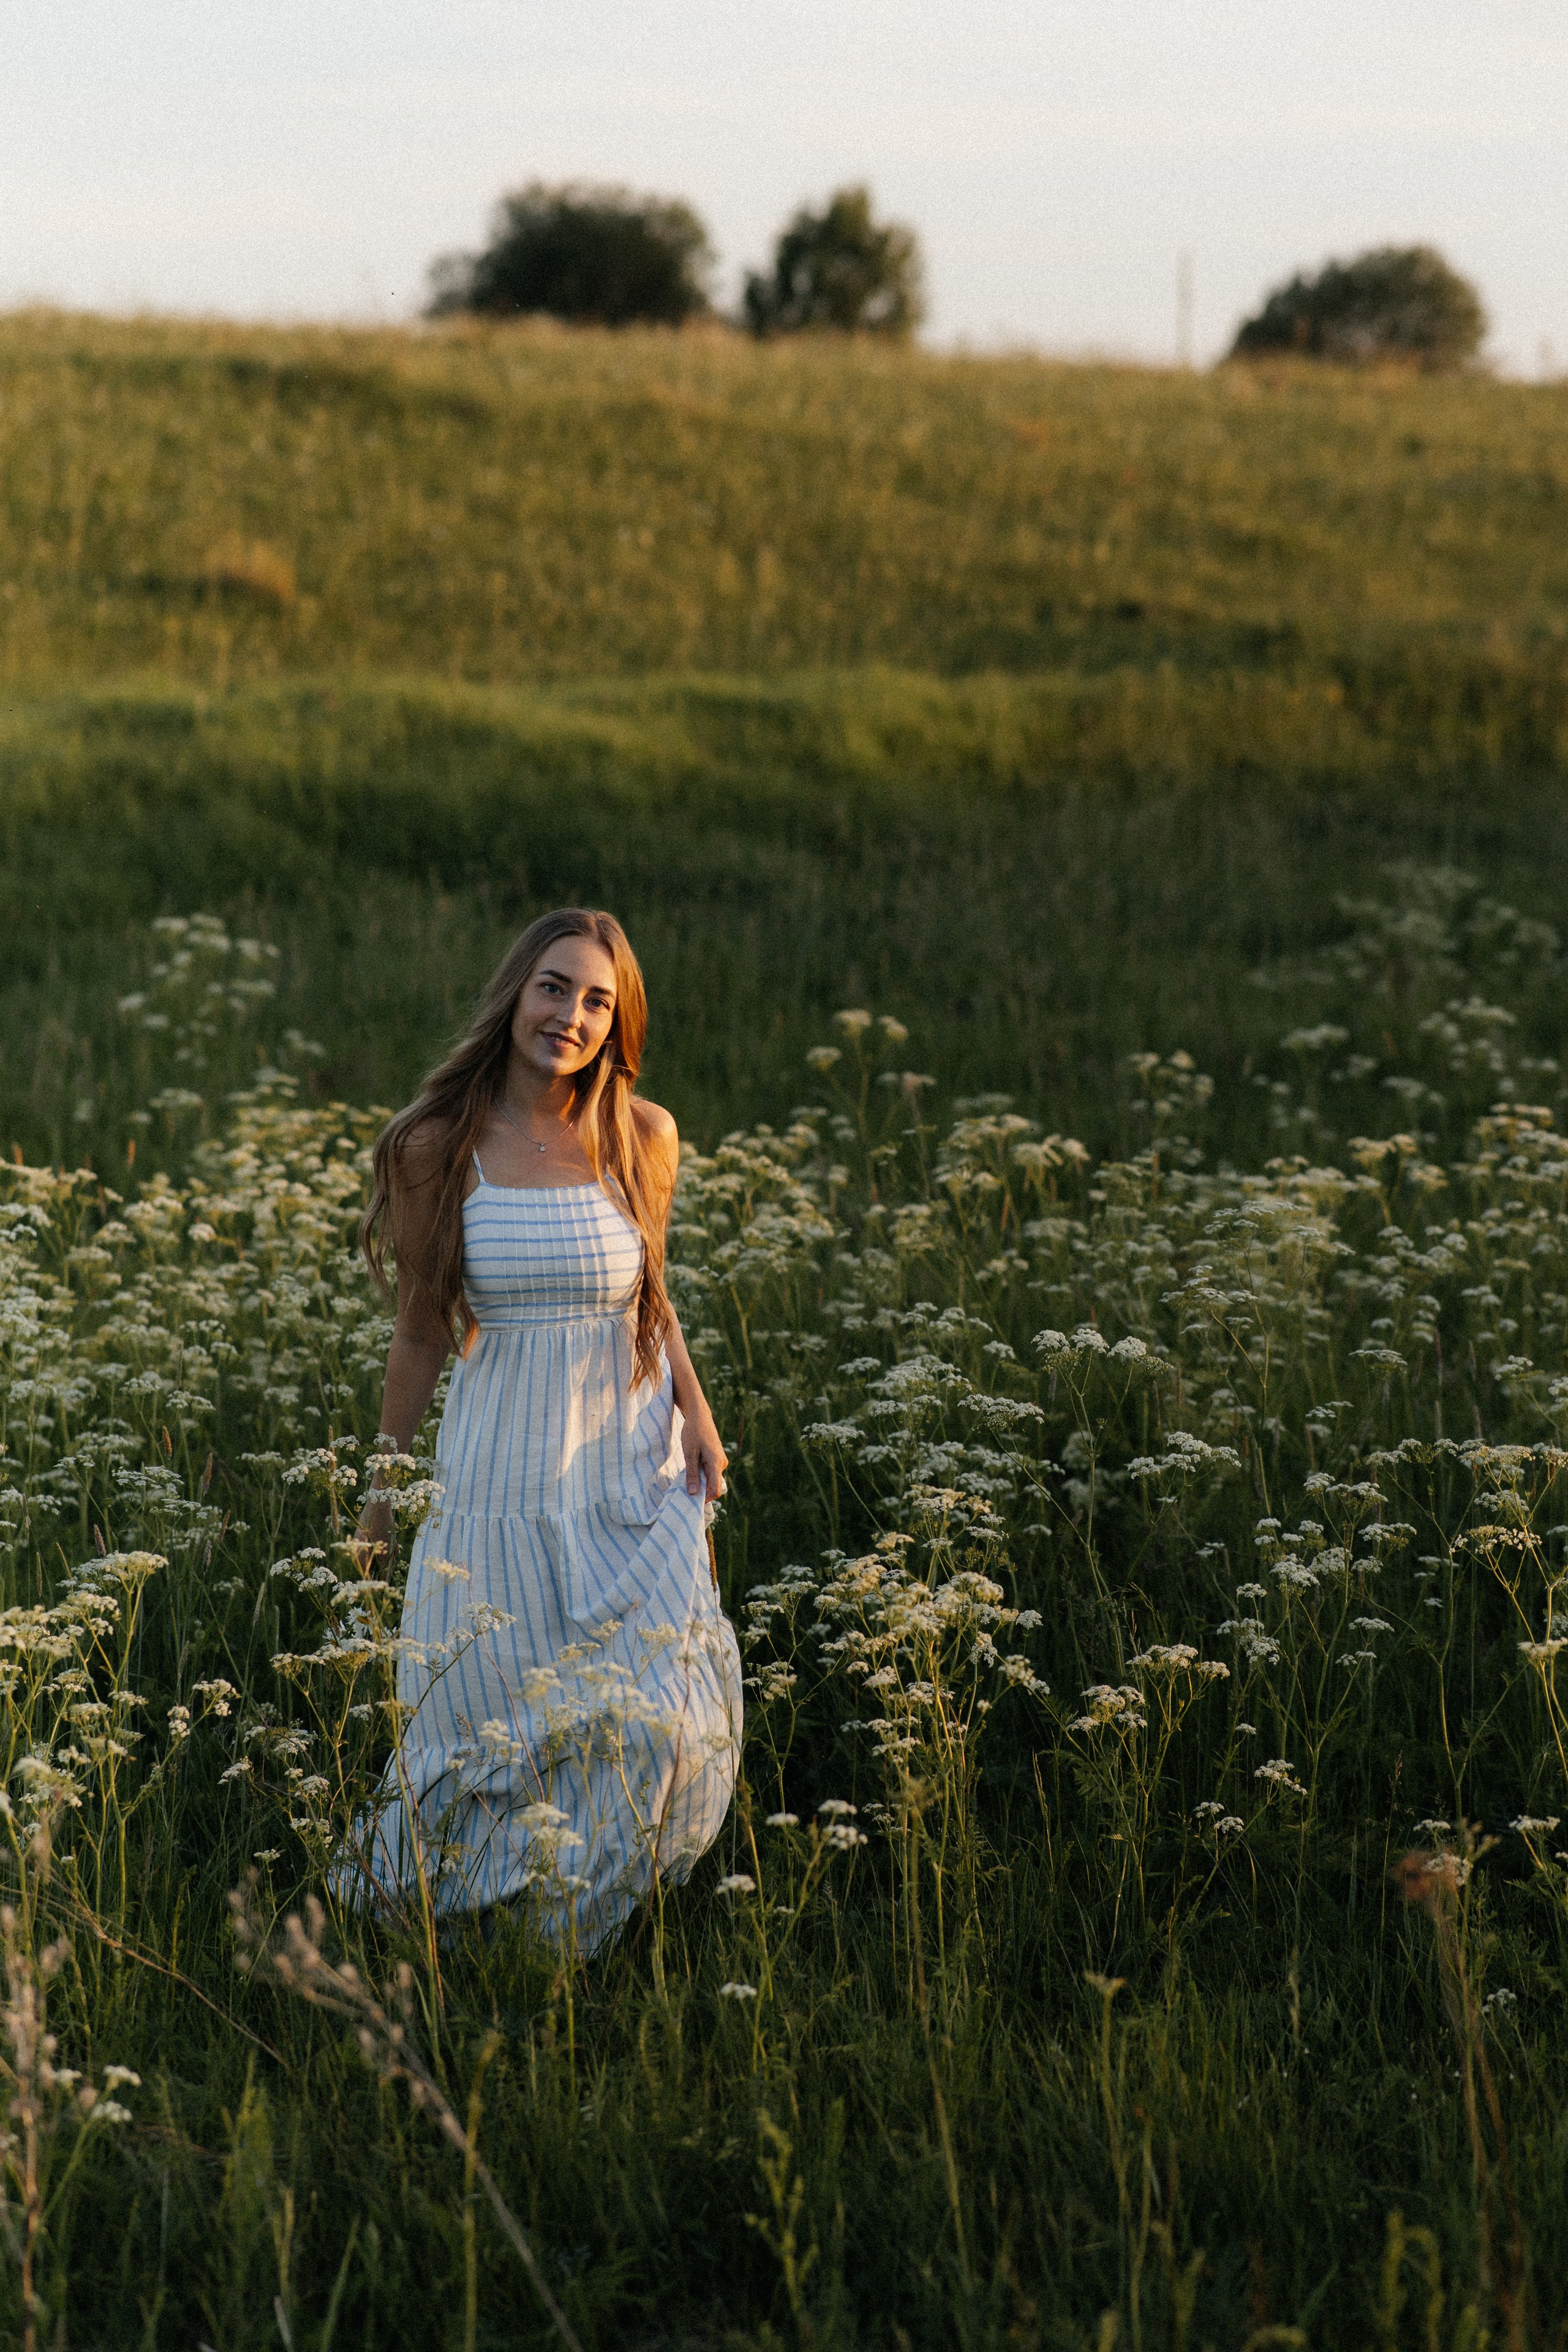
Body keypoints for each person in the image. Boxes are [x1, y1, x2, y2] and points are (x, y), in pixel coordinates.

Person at [347, 908, 741, 1954]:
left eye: (597, 1001)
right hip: (498, 1484)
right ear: (516, 994)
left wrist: (696, 1416)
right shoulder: (439, 1147)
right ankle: (449, 1946)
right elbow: (422, 1332)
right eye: (555, 988)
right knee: (487, 1724)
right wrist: (382, 1498)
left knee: (650, 1724)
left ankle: (564, 1954)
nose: (572, 1015)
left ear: (619, 1023)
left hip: (626, 1474)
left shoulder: (639, 1136)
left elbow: (651, 1294)